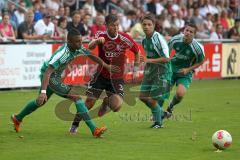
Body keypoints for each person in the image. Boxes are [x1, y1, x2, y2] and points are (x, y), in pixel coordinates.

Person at [11, 29, 120, 138]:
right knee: (76, 97)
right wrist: (43, 91)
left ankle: (18, 118)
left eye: (81, 41)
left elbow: (92, 56)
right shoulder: (63, 53)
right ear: (69, 42)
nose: (80, 44)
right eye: (77, 42)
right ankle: (94, 130)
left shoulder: (78, 48)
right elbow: (48, 72)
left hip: (55, 76)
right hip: (50, 77)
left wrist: (106, 66)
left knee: (40, 102)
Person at [69, 14, 141, 134]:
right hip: (101, 76)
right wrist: (97, 41)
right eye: (113, 25)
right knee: (89, 104)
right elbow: (90, 46)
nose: (116, 27)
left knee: (117, 106)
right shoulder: (101, 35)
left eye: (117, 25)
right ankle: (75, 124)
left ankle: (106, 102)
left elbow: (137, 52)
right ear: (106, 26)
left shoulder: (124, 38)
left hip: (116, 78)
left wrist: (135, 70)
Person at [162, 23, 205, 119]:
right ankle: (157, 114)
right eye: (187, 30)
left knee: (180, 94)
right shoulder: (175, 39)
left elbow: (201, 61)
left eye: (191, 32)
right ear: (184, 31)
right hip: (172, 69)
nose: (188, 33)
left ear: (194, 35)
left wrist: (188, 69)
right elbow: (166, 52)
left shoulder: (197, 48)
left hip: (185, 73)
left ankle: (170, 107)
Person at [139, 14, 171, 128]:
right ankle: (162, 113)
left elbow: (167, 58)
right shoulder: (144, 40)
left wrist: (148, 60)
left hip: (162, 71)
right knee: (142, 96)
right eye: (144, 24)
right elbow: (149, 57)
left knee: (152, 99)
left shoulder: (158, 39)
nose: (146, 27)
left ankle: (158, 123)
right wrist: (146, 62)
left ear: (154, 26)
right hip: (151, 70)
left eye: (149, 24)